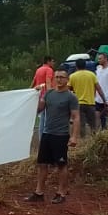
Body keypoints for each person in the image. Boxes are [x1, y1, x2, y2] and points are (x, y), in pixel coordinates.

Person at [27, 68, 79, 204]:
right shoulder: (49, 94)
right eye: (57, 77)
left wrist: (74, 137)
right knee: (42, 164)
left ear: (67, 80)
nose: (59, 79)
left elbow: (76, 117)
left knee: (61, 164)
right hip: (47, 133)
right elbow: (39, 108)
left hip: (60, 135)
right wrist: (34, 94)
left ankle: (61, 193)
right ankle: (39, 193)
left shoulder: (71, 97)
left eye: (62, 77)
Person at [67, 59, 104, 137]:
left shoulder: (73, 76)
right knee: (92, 124)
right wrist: (105, 100)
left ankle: (83, 141)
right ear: (85, 65)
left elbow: (68, 89)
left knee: (81, 124)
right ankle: (95, 139)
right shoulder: (92, 75)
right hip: (91, 103)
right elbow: (99, 89)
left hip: (78, 104)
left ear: (76, 66)